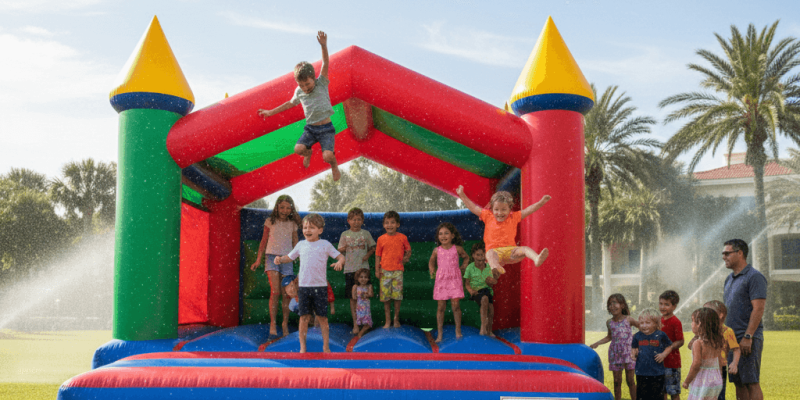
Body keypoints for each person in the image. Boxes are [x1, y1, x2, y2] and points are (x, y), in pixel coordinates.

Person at [257, 31, 341, 181]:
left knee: (327, 156)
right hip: (311, 129)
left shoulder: (321, 83)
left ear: (313, 78)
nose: (305, 88)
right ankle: (308, 153)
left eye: (307, 84)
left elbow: (325, 62)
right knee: (298, 149)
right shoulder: (299, 92)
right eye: (301, 85)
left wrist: (323, 46)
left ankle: (334, 166)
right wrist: (270, 112)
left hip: (326, 129)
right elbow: (290, 104)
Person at [274, 213, 344, 353]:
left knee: (322, 318)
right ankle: (303, 347)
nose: (307, 230)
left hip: (320, 287)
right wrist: (280, 259)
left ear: (320, 230)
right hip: (304, 288)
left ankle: (326, 346)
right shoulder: (301, 245)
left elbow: (341, 256)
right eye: (305, 227)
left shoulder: (325, 244)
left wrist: (340, 262)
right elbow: (290, 257)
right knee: (304, 318)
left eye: (311, 227)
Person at [456, 185, 550, 275]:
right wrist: (462, 195)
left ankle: (536, 259)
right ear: (492, 209)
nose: (500, 213)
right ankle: (495, 267)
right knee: (489, 253)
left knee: (525, 249)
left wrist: (541, 202)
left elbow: (528, 210)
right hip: (495, 254)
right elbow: (473, 207)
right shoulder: (487, 216)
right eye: (496, 209)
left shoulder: (514, 217)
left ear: (510, 209)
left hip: (511, 252)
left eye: (504, 209)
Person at [250, 194, 302, 336]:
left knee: (286, 294)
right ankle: (273, 323)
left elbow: (295, 242)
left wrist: (298, 257)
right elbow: (263, 241)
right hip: (271, 257)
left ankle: (284, 323)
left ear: (291, 209)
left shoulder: (292, 223)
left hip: (286, 259)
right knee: (276, 291)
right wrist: (258, 259)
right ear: (277, 207)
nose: (285, 211)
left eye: (288, 208)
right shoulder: (270, 221)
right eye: (282, 207)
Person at [722, 239, 766, 400]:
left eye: (727, 253)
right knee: (738, 381)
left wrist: (748, 336)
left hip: (747, 338)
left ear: (740, 253)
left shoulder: (754, 277)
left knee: (751, 381)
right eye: (723, 253)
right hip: (731, 339)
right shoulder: (729, 279)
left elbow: (758, 308)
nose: (723, 257)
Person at [590, 293, 640, 400]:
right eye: (610, 304)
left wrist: (634, 338)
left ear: (622, 305)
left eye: (615, 303)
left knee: (630, 380)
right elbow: (609, 336)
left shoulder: (629, 319)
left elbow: (642, 327)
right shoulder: (609, 322)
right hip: (615, 353)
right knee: (617, 381)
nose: (612, 306)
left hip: (628, 353)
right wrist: (597, 343)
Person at [688, 300, 740, 400]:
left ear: (720, 315)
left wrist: (734, 363)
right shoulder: (703, 331)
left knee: (718, 395)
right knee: (702, 394)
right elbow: (690, 346)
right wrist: (697, 336)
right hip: (702, 368)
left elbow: (736, 349)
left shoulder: (727, 331)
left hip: (719, 368)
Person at [428, 222, 470, 343]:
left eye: (446, 233)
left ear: (452, 236)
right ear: (438, 237)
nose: (443, 236)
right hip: (442, 280)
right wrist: (432, 269)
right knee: (441, 307)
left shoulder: (457, 249)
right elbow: (431, 261)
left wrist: (464, 265)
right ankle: (440, 333)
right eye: (440, 234)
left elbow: (466, 257)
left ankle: (458, 330)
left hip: (454, 280)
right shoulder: (436, 250)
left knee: (455, 306)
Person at [338, 207, 376, 334]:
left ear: (362, 221)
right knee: (353, 297)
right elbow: (339, 249)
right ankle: (355, 324)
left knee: (364, 296)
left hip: (363, 270)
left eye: (359, 219)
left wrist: (367, 255)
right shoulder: (345, 234)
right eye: (353, 219)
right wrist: (345, 247)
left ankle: (366, 321)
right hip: (350, 269)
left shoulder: (365, 234)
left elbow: (373, 247)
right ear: (348, 221)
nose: (356, 222)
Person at [375, 211, 411, 329]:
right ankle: (387, 320)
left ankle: (396, 319)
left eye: (392, 222)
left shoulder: (402, 237)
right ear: (383, 225)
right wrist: (377, 270)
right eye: (387, 223)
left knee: (397, 296)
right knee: (386, 298)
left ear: (397, 224)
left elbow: (408, 251)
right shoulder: (381, 239)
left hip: (397, 271)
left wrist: (406, 258)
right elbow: (378, 256)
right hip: (384, 271)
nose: (389, 225)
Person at [682, 307, 725, 400]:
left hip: (702, 381)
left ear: (700, 324)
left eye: (693, 321)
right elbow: (720, 362)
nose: (691, 324)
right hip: (715, 380)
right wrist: (720, 377)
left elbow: (696, 364)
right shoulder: (716, 342)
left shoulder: (698, 343)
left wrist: (687, 381)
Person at [632, 308, 672, 400]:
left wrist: (663, 355)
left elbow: (669, 346)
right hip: (641, 372)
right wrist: (633, 354)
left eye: (647, 323)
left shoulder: (661, 335)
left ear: (655, 323)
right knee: (642, 396)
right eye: (641, 323)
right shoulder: (637, 336)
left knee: (657, 396)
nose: (644, 325)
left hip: (657, 373)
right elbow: (633, 348)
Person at [463, 242, 498, 337]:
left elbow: (493, 282)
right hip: (476, 292)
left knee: (491, 310)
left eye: (482, 255)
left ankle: (489, 330)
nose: (480, 257)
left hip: (487, 290)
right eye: (477, 255)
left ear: (485, 255)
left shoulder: (488, 267)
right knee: (484, 298)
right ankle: (483, 327)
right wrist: (471, 291)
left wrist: (492, 281)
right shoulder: (470, 267)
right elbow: (467, 283)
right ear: (473, 255)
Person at [658, 290, 685, 400]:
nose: (662, 307)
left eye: (666, 304)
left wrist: (669, 348)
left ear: (674, 307)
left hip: (671, 363)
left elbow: (681, 341)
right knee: (661, 391)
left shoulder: (675, 322)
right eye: (661, 303)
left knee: (673, 392)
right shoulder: (658, 320)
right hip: (659, 362)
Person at [351, 268, 374, 337]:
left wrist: (365, 294)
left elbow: (371, 295)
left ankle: (361, 333)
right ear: (357, 278)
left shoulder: (369, 286)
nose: (363, 279)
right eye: (361, 277)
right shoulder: (356, 287)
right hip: (359, 308)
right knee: (361, 321)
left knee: (368, 323)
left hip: (366, 308)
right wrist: (354, 292)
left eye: (365, 277)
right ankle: (361, 332)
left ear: (368, 279)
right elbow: (354, 297)